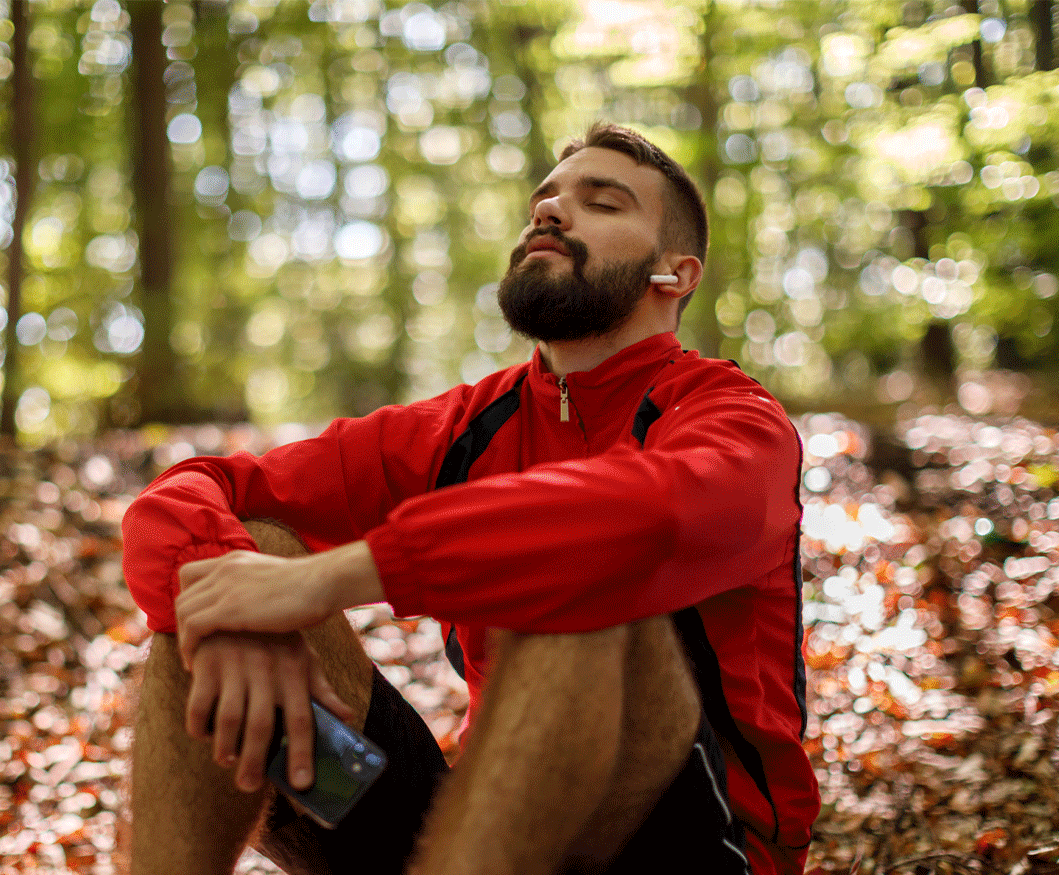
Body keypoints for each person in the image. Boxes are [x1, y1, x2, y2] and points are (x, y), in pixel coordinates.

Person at [121, 122, 820, 875]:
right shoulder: (463, 426)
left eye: (603, 203)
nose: (550, 213)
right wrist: (228, 615)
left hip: (688, 846)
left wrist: (327, 578)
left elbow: (649, 517)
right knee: (231, 565)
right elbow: (194, 489)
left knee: (581, 588)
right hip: (475, 838)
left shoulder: (734, 418)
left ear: (674, 275)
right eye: (545, 200)